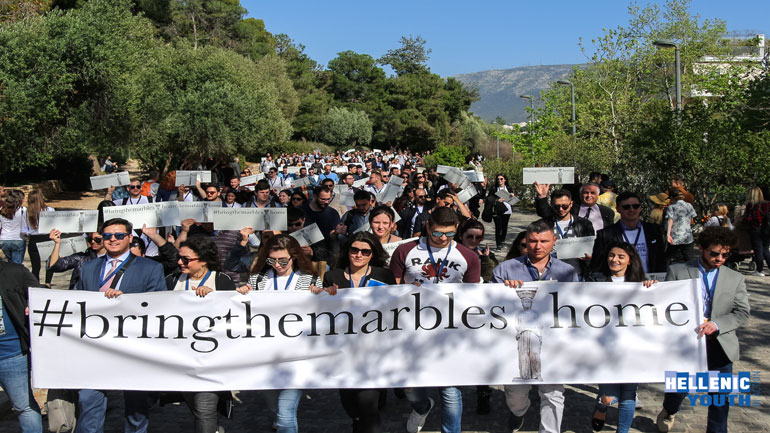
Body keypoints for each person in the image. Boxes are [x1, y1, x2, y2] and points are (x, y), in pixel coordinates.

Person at [389, 207, 480, 433]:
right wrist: (407, 290)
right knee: (410, 385)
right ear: (428, 226)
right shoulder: (405, 251)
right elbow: (392, 290)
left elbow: (473, 297)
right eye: (438, 234)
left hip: (450, 330)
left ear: (456, 229)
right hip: (411, 327)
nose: (442, 239)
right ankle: (422, 407)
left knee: (449, 389)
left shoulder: (468, 256)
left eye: (449, 235)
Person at [74, 218, 166, 433]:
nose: (112, 239)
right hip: (95, 346)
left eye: (118, 235)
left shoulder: (150, 268)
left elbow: (159, 304)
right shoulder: (88, 267)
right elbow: (75, 300)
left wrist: (127, 301)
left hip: (132, 346)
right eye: (107, 236)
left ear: (130, 238)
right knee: (89, 400)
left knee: (136, 406)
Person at [655, 227, 750, 433]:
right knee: (678, 389)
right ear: (701, 248)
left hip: (720, 343)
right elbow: (663, 303)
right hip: (685, 342)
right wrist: (652, 288)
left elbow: (742, 312)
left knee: (719, 398)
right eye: (714, 253)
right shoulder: (678, 270)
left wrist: (716, 324)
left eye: (725, 254)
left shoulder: (735, 278)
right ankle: (669, 409)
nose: (720, 258)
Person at [490, 220, 579, 433]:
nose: (538, 246)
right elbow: (490, 306)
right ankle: (519, 412)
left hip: (553, 344)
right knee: (516, 395)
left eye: (544, 241)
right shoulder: (506, 269)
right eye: (533, 241)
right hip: (515, 343)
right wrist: (503, 291)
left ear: (554, 241)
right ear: (526, 242)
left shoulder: (567, 272)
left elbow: (577, 306)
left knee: (553, 393)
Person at [237, 235, 320, 433]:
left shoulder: (308, 279)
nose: (277, 265)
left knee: (285, 412)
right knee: (274, 405)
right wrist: (241, 294)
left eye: (283, 260)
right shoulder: (258, 280)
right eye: (271, 260)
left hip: (297, 356)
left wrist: (320, 294)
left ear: (294, 257)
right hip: (267, 355)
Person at [165, 235, 234, 433]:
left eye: (186, 259)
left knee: (204, 408)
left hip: (211, 359)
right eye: (180, 258)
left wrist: (214, 298)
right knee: (196, 408)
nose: (180, 262)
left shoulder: (221, 281)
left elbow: (232, 316)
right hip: (181, 359)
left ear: (203, 260)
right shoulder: (172, 280)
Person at [586, 243, 656, 433]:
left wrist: (653, 289)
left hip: (632, 348)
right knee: (608, 396)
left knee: (628, 394)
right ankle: (601, 406)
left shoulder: (641, 283)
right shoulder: (596, 279)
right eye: (611, 255)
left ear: (630, 260)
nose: (614, 260)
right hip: (604, 347)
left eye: (620, 256)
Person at [454, 218, 497, 415]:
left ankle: (483, 392)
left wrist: (485, 260)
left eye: (478, 237)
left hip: (480, 314)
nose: (473, 240)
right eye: (469, 236)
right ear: (461, 236)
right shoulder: (451, 254)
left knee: (482, 355)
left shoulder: (488, 256)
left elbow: (492, 279)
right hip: (453, 312)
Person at [0, 258, 44, 432]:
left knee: (23, 406)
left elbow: (42, 295)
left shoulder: (14, 272)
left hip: (12, 355)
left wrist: (34, 304)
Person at [590, 192, 666, 274]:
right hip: (619, 284)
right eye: (626, 207)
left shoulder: (654, 230)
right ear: (618, 209)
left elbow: (661, 260)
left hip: (648, 283)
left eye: (635, 206)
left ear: (640, 208)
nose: (631, 210)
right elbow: (597, 266)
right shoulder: (605, 234)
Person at [535, 182, 615, 234]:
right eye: (586, 193)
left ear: (598, 195)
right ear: (580, 194)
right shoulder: (570, 208)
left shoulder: (607, 212)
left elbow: (611, 233)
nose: (589, 196)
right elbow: (545, 212)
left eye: (592, 193)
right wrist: (542, 197)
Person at [24, 189, 55, 285]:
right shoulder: (50, 210)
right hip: (47, 237)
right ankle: (48, 283)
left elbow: (24, 230)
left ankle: (35, 285)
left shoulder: (26, 212)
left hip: (34, 239)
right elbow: (54, 226)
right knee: (50, 263)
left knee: (35, 267)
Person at [741, 186, 770, 276]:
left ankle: (760, 270)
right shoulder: (768, 204)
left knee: (758, 250)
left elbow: (747, 219)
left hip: (756, 229)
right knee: (766, 249)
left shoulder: (751, 206)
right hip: (767, 229)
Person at [664, 188, 697, 264]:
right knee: (689, 258)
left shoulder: (671, 207)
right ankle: (693, 274)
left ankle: (664, 273)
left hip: (675, 236)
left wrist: (668, 234)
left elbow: (670, 220)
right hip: (687, 236)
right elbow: (693, 216)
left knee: (668, 257)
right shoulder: (689, 205)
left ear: (672, 198)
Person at [488, 174, 515, 249]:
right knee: (498, 227)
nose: (499, 180)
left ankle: (502, 241)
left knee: (504, 227)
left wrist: (512, 196)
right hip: (497, 210)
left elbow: (512, 199)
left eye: (501, 179)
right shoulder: (494, 188)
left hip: (507, 209)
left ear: (505, 180)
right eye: (498, 179)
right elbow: (489, 198)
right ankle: (498, 244)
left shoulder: (508, 188)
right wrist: (497, 200)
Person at [0, 190, 27, 264]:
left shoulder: (1, 210)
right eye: (23, 198)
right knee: (16, 266)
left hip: (4, 240)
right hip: (18, 239)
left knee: (10, 264)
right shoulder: (23, 210)